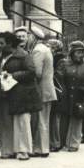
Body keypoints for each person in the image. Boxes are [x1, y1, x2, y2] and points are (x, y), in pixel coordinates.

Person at [0, 31, 39, 161]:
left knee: (22, 121)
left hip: (21, 93)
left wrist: (13, 76)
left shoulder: (24, 55)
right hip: (6, 93)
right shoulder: (0, 56)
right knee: (5, 122)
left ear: (10, 43)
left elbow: (32, 72)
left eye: (1, 43)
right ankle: (8, 150)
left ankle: (23, 150)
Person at [54, 40, 84, 152]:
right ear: (72, 53)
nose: (80, 55)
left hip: (79, 96)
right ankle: (61, 143)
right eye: (78, 52)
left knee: (77, 119)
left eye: (82, 52)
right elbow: (57, 78)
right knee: (64, 120)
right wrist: (61, 92)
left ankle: (74, 144)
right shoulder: (64, 64)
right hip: (66, 96)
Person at [24, 30, 55, 158]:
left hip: (41, 89)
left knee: (40, 120)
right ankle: (43, 147)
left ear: (33, 37)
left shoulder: (38, 50)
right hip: (48, 89)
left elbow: (37, 73)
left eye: (28, 36)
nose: (27, 39)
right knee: (44, 120)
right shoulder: (45, 49)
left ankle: (41, 148)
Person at [45, 36, 66, 152]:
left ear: (54, 49)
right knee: (53, 118)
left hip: (57, 91)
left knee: (55, 118)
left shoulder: (60, 60)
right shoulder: (54, 59)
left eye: (49, 47)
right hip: (55, 91)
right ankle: (53, 141)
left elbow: (58, 76)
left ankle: (56, 142)